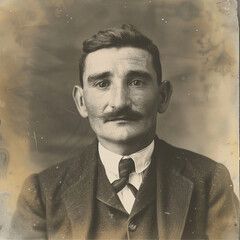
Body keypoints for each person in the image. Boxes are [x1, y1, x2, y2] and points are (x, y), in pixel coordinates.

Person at [10, 24, 238, 239]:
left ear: (163, 96)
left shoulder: (210, 183)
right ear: (81, 101)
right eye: (102, 84)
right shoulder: (41, 194)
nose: (119, 103)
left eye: (136, 82)